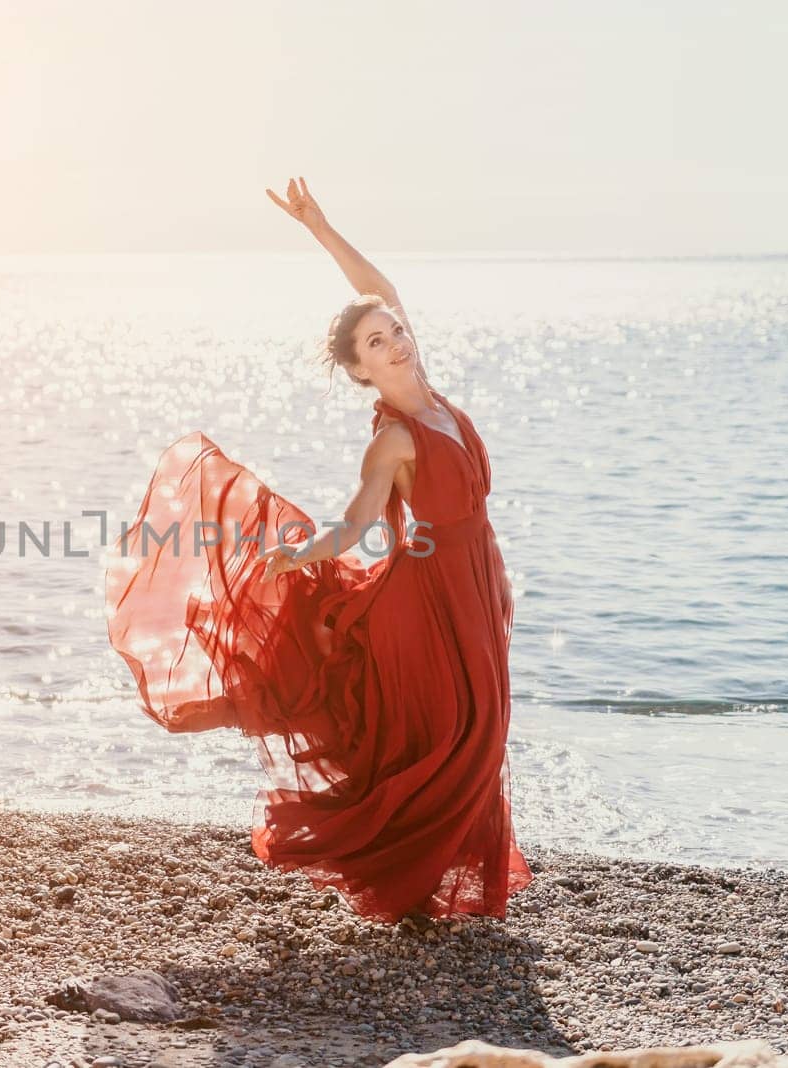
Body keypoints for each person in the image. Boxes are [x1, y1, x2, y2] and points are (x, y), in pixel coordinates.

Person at [104, 177, 532, 923]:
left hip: (474, 584)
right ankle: (409, 883)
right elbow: (361, 520)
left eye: (394, 331)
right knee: (452, 740)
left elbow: (381, 290)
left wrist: (320, 227)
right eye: (375, 344)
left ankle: (438, 885)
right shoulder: (396, 437)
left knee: (483, 731)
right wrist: (304, 556)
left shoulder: (438, 403)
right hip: (425, 602)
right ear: (361, 370)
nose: (394, 342)